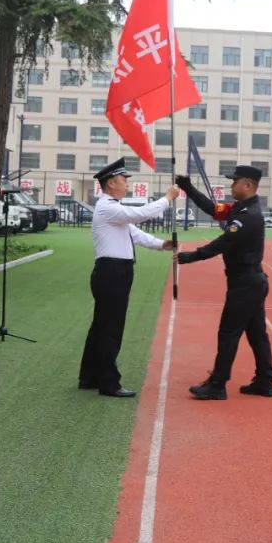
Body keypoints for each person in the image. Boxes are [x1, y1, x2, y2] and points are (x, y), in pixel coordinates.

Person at [80, 158, 179, 397]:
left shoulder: (113, 209)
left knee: (101, 327)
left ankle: (90, 376)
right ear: (112, 183)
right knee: (110, 329)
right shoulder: (108, 207)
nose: (127, 184)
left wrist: (161, 245)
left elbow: (134, 233)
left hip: (114, 272)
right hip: (112, 273)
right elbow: (140, 215)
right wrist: (168, 198)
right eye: (124, 180)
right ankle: (109, 383)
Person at [175, 165, 272, 401]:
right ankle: (264, 381)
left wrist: (191, 256)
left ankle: (218, 384)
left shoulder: (247, 217)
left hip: (245, 284)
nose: (232, 185)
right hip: (251, 282)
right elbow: (212, 208)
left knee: (228, 334)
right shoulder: (239, 210)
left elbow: (222, 243)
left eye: (235, 181)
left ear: (248, 185)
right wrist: (188, 188)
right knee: (257, 334)